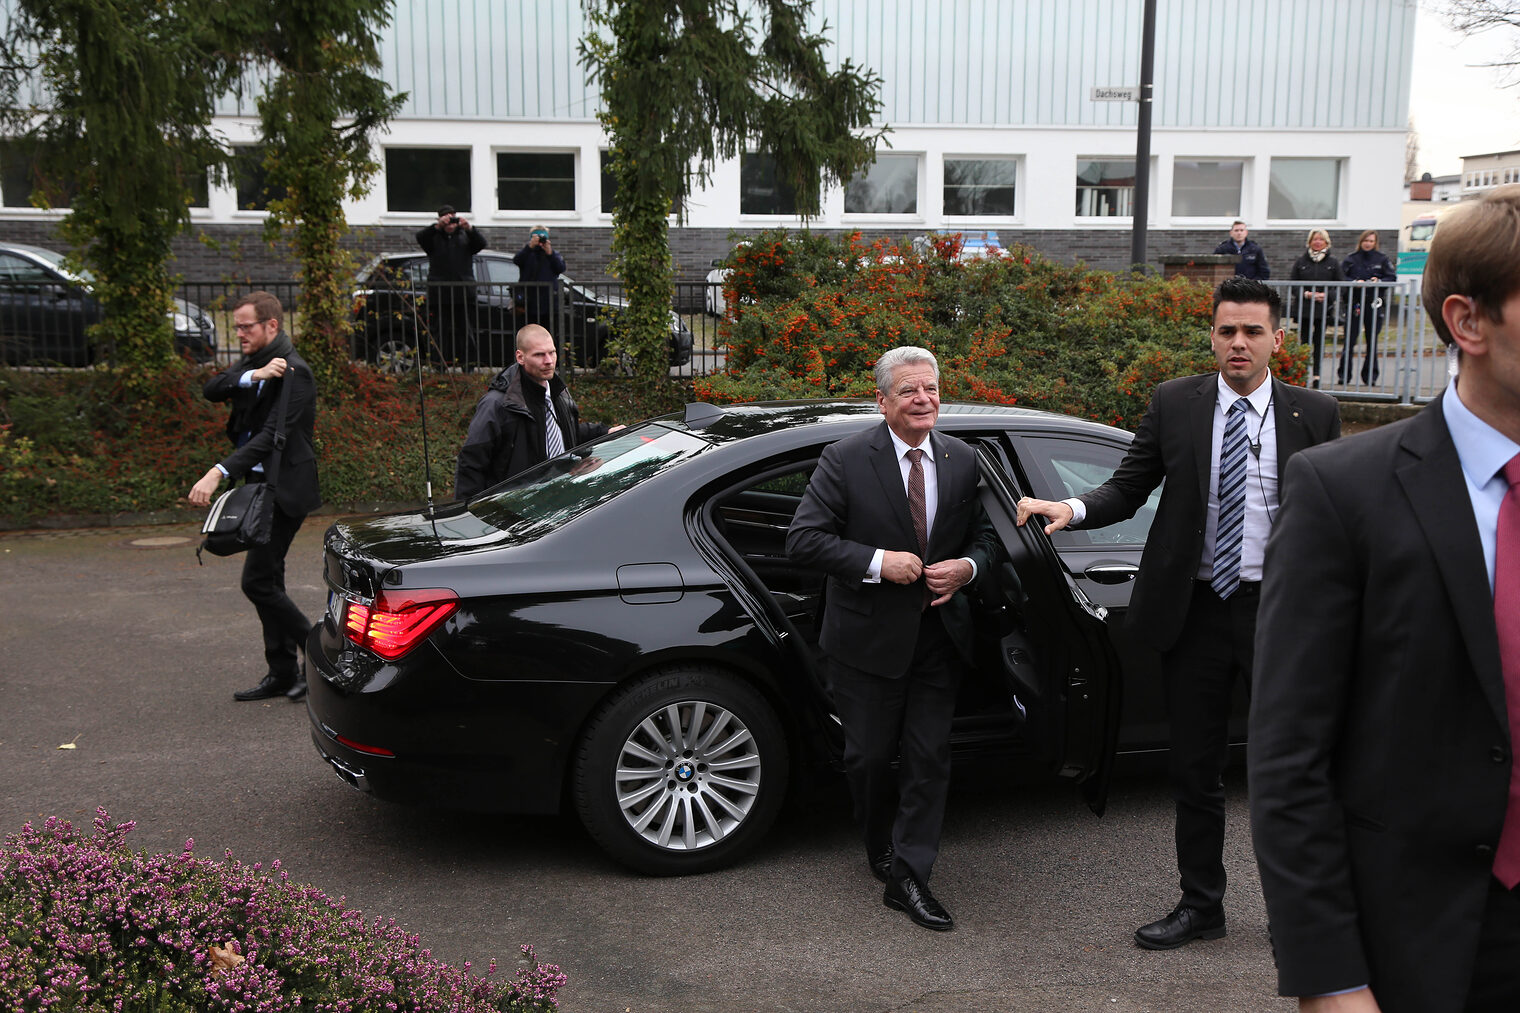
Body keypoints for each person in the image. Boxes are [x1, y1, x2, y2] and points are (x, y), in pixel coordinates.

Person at [1249, 185, 1520, 1013]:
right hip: (1425, 949)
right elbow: (1289, 758)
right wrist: (1329, 977)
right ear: (1467, 323)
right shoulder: (1343, 492)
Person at [1014, 276, 1340, 950]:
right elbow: (1129, 486)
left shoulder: (1315, 412)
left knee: (1288, 769)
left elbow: (1337, 513)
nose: (1239, 343)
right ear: (1212, 336)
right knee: (1194, 769)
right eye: (1227, 331)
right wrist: (1068, 509)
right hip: (1195, 612)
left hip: (1279, 614)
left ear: (1278, 338)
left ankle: (1300, 911)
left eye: (1253, 331)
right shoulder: (1177, 403)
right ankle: (1202, 905)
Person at [785, 346, 998, 932]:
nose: (923, 399)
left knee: (930, 757)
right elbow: (803, 540)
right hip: (864, 642)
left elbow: (988, 538)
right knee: (871, 758)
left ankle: (910, 875)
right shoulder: (846, 459)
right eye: (909, 391)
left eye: (930, 388)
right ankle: (879, 846)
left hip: (938, 639)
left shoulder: (962, 459)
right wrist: (880, 561)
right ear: (882, 401)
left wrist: (968, 570)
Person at [188, 291, 321, 702]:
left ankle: (318, 654)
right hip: (257, 487)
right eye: (238, 326)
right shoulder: (256, 363)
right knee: (271, 579)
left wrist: (218, 471)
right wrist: (252, 376)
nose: (240, 332)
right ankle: (282, 673)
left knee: (259, 582)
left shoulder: (297, 373)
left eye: (246, 326)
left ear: (272, 326)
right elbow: (212, 389)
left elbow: (270, 438)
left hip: (284, 490)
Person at [453, 324, 618, 499]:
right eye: (539, 354)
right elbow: (471, 463)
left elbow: (563, 433)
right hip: (515, 507)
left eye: (552, 352)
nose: (548, 361)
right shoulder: (499, 404)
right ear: (520, 357)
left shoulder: (557, 392)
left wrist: (604, 431)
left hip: (561, 497)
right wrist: (467, 514)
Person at [416, 204, 486, 365]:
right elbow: (420, 237)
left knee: (466, 331)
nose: (450, 224)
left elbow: (481, 243)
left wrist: (469, 228)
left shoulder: (465, 237)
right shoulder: (433, 238)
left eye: (452, 218)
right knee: (439, 332)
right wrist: (437, 226)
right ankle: (438, 365)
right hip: (440, 294)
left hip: (463, 294)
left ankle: (468, 365)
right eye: (446, 219)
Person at [1337, 229, 1398, 386]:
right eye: (1366, 241)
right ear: (1361, 241)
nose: (1368, 244)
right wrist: (1354, 283)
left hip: (1374, 303)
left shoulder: (1382, 259)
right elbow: (1341, 277)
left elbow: (1391, 277)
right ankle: (1344, 376)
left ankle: (1370, 377)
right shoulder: (1351, 259)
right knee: (1349, 341)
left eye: (1371, 241)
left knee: (1372, 341)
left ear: (1375, 242)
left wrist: (1379, 281)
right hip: (1354, 303)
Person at [1288, 228, 1344, 387]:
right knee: (1304, 342)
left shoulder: (1333, 263)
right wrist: (1307, 294)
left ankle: (1317, 376)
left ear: (1326, 242)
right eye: (1315, 239)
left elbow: (1340, 285)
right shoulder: (1301, 262)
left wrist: (1326, 295)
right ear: (1309, 242)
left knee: (1319, 342)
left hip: (1323, 310)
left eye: (1321, 239)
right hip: (1304, 308)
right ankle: (1302, 374)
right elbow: (1293, 284)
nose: (1317, 242)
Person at [513, 224, 565, 338]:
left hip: (548, 303)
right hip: (530, 302)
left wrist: (550, 253)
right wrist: (530, 247)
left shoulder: (552, 254)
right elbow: (517, 260)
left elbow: (560, 268)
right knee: (529, 334)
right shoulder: (528, 254)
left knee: (548, 334)